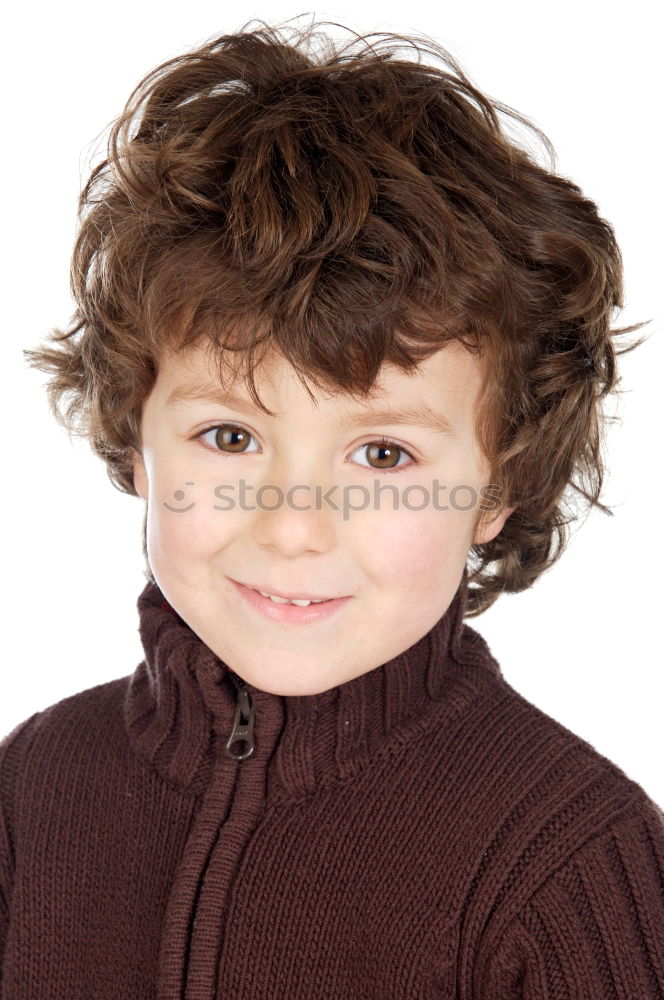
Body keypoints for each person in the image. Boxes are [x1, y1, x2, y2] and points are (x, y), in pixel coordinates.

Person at [2, 16, 662, 998]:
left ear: (500, 482)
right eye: (230, 437)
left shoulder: (566, 858)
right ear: (137, 437)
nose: (293, 525)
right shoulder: (35, 786)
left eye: (382, 453)